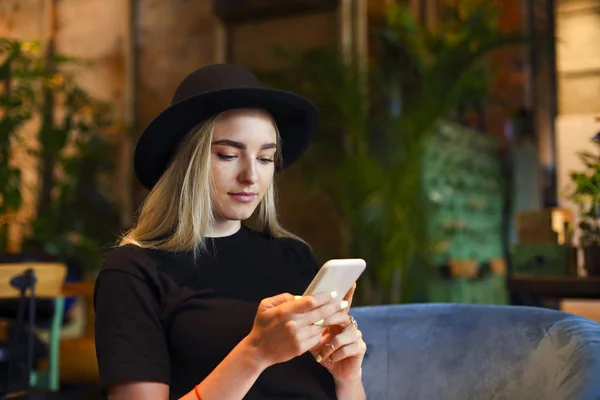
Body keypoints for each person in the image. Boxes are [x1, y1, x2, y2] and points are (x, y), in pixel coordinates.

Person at [93, 63, 367, 400]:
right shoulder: (134, 271)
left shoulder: (294, 256)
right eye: (228, 155)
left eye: (266, 159)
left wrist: (348, 378)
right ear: (186, 162)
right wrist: (255, 353)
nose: (251, 176)